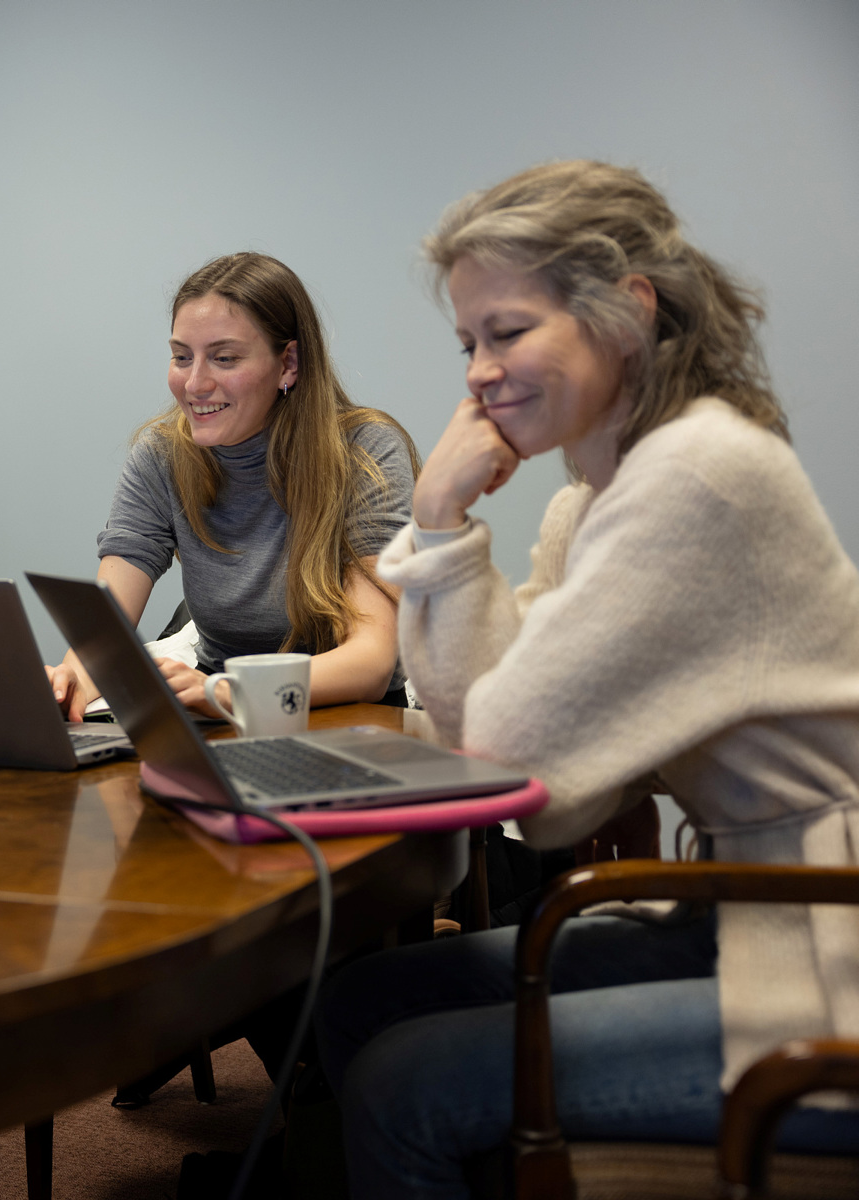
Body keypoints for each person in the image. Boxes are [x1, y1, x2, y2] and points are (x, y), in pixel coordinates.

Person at [316, 161, 859, 1198]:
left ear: (625, 310)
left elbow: (524, 776)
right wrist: (439, 528)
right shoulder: (603, 493)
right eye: (468, 341)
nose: (478, 370)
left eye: (507, 331)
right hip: (755, 912)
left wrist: (435, 522)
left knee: (401, 1082)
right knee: (360, 1001)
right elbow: (492, 728)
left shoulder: (692, 478)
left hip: (826, 951)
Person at [47, 252, 417, 721]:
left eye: (224, 358)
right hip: (216, 707)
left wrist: (228, 690)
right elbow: (104, 632)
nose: (195, 383)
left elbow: (371, 663)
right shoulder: (160, 455)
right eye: (182, 356)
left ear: (288, 364)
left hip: (352, 715)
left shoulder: (367, 452)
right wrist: (70, 680)